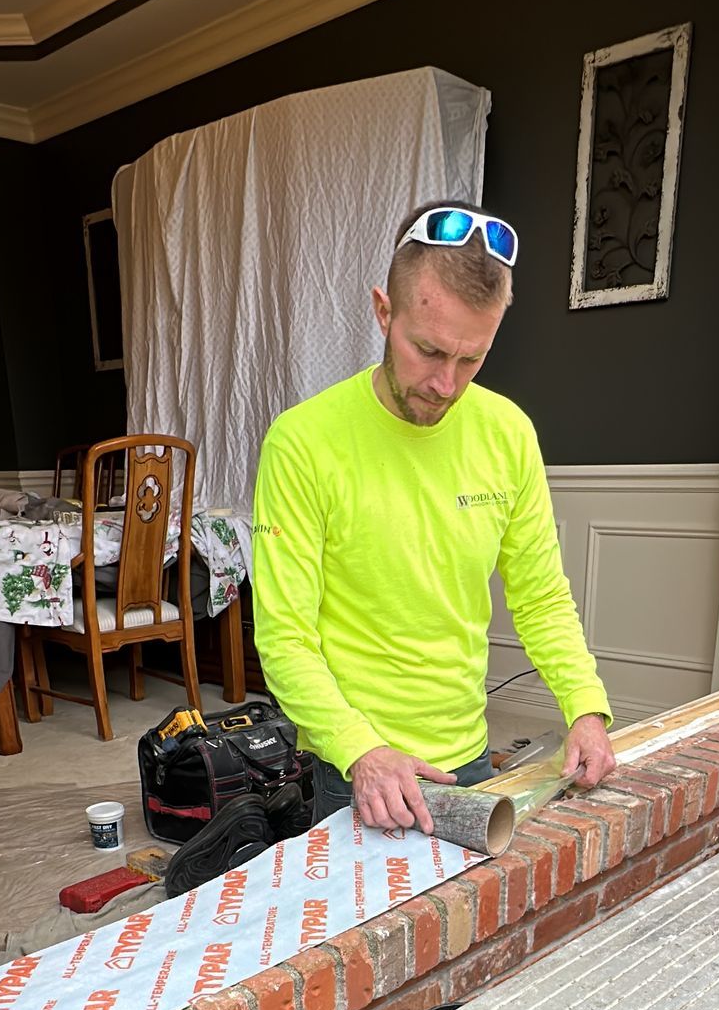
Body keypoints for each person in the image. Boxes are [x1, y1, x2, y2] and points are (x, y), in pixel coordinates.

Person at [252, 201, 615, 831]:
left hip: (470, 759)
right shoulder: (303, 441)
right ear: (382, 311)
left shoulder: (508, 433)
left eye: (471, 360)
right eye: (428, 351)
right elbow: (284, 636)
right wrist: (361, 750)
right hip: (353, 768)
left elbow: (541, 597)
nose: (446, 385)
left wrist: (585, 709)